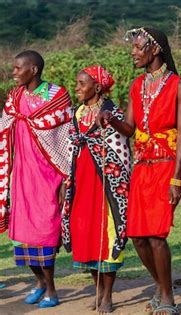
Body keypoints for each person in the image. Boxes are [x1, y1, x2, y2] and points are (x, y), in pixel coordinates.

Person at [97, 27, 181, 314]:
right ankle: (162, 287)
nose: (133, 52)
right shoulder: (137, 86)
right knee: (137, 236)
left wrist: (177, 177)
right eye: (133, 48)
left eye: (138, 48)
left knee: (156, 235)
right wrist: (110, 119)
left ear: (156, 49)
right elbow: (129, 128)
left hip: (166, 167)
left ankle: (168, 299)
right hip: (142, 168)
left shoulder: (179, 85)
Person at [0, 50, 71, 308]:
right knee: (24, 232)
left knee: (45, 231)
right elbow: (4, 127)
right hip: (22, 174)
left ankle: (52, 289)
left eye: (18, 68)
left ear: (33, 70)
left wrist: (65, 178)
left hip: (49, 174)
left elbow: (66, 136)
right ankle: (39, 282)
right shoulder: (15, 97)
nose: (14, 72)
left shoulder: (56, 95)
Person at [61, 65, 131, 313]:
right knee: (86, 232)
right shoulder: (77, 113)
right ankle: (98, 290)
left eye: (82, 83)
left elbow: (121, 148)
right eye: (77, 83)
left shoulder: (112, 112)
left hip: (105, 184)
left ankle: (109, 295)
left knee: (108, 231)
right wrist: (66, 181)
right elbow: (71, 148)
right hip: (82, 181)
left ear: (98, 87)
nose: (77, 88)